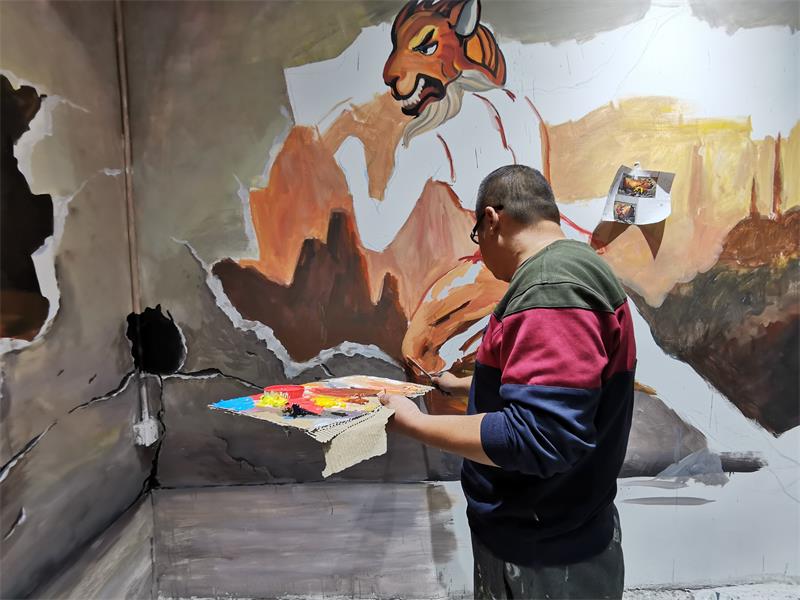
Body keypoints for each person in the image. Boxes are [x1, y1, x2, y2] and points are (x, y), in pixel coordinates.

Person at [380, 165, 636, 599]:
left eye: (476, 237)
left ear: (491, 220)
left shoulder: (551, 288)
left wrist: (412, 423)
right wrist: (464, 386)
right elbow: (568, 391)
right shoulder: (575, 269)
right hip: (558, 532)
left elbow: (540, 437)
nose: (479, 252)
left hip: (543, 553)